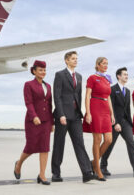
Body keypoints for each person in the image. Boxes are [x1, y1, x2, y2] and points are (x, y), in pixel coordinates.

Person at [51, 51, 95, 183]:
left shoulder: (79, 76)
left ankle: (87, 172)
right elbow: (57, 96)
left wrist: (83, 113)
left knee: (80, 143)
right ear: (66, 60)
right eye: (73, 59)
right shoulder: (60, 75)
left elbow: (79, 96)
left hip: (76, 115)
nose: (75, 61)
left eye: (76, 58)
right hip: (63, 116)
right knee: (59, 144)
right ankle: (56, 173)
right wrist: (61, 114)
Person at [100, 68, 134, 177]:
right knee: (109, 144)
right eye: (124, 74)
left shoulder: (127, 91)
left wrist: (130, 123)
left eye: (127, 75)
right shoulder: (112, 89)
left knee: (131, 143)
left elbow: (127, 109)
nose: (126, 76)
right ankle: (102, 166)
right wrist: (115, 123)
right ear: (118, 76)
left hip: (125, 122)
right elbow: (110, 106)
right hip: (114, 122)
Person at [14, 60, 54, 185]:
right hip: (33, 121)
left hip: (46, 120)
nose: (43, 72)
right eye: (40, 70)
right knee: (31, 146)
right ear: (34, 71)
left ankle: (42, 175)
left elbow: (49, 104)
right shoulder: (28, 85)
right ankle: (19, 164)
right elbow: (28, 102)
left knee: (45, 147)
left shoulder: (48, 86)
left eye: (44, 70)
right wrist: (34, 116)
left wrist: (52, 122)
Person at [83, 57, 115, 181]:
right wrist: (88, 113)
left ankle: (94, 163)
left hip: (106, 108)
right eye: (103, 63)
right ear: (97, 65)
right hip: (95, 106)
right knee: (98, 138)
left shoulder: (107, 79)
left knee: (108, 139)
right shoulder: (92, 78)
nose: (106, 65)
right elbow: (87, 96)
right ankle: (97, 168)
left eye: (107, 63)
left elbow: (109, 98)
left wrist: (112, 114)